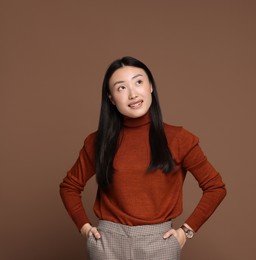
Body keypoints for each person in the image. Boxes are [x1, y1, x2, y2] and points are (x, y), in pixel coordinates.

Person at [59, 56, 227, 260]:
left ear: (151, 87)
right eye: (121, 88)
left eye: (139, 82)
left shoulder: (179, 139)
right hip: (108, 243)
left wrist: (186, 231)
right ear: (111, 98)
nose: (133, 94)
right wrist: (85, 228)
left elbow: (215, 187)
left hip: (159, 244)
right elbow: (69, 186)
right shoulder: (97, 141)